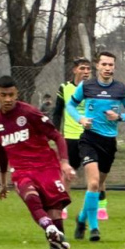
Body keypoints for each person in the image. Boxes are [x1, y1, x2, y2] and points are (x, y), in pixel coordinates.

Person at [0, 75, 75, 249]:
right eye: (3, 95)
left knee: (55, 212)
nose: (8, 99)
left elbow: (57, 136)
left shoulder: (29, 113)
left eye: (11, 95)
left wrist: (64, 163)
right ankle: (49, 228)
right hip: (21, 171)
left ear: (17, 93)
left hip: (46, 166)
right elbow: (1, 151)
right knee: (31, 197)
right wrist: (3, 181)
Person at [66, 50, 125, 242]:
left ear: (114, 67)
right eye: (104, 64)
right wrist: (81, 119)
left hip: (109, 143)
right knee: (93, 183)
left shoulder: (122, 89)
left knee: (96, 187)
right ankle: (94, 228)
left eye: (111, 65)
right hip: (89, 139)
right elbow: (70, 106)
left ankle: (81, 218)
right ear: (97, 66)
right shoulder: (86, 86)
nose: (107, 68)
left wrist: (120, 117)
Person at [51, 57, 92, 216]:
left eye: (88, 69)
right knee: (67, 173)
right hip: (70, 136)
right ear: (75, 70)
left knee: (92, 173)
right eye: (82, 68)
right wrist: (55, 133)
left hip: (89, 137)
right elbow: (57, 113)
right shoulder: (65, 88)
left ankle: (92, 207)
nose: (86, 72)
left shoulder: (93, 89)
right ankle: (64, 205)